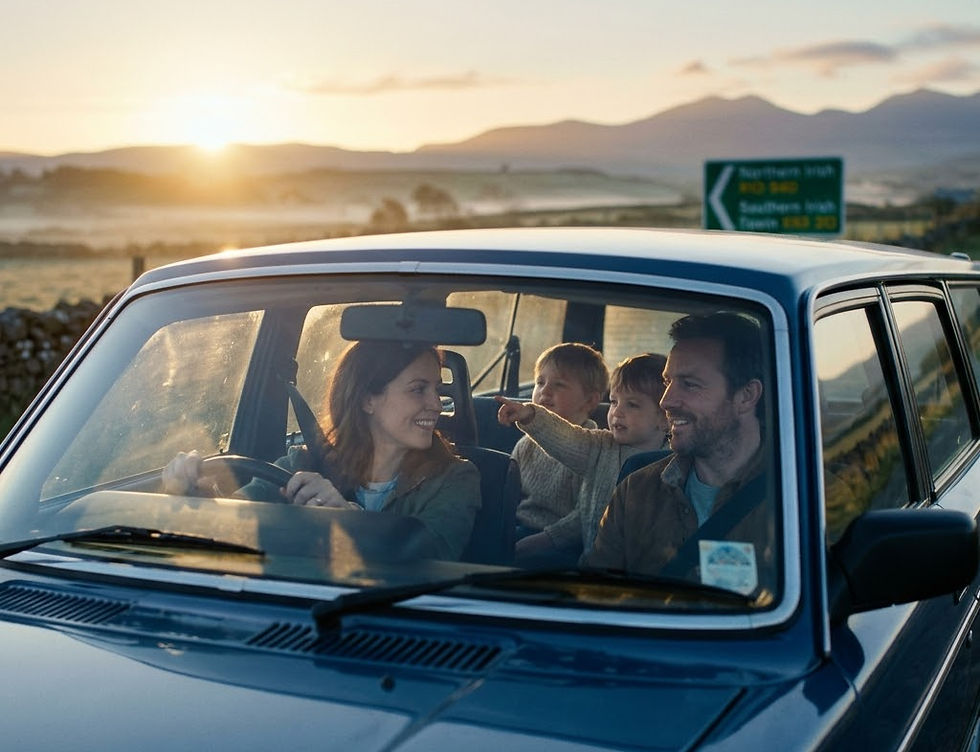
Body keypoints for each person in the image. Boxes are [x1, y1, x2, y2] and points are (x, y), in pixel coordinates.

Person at [162, 340, 482, 561]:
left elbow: (431, 558)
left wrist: (348, 518)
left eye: (436, 389)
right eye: (418, 390)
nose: (436, 404)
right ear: (367, 399)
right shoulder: (303, 461)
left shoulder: (456, 478)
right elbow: (234, 523)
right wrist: (198, 495)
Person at [583, 312, 774, 598]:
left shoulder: (805, 501)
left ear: (746, 396)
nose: (666, 401)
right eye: (667, 382)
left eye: (690, 384)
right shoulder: (635, 492)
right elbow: (594, 597)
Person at [497, 352, 670, 567]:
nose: (617, 412)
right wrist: (530, 416)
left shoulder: (675, 463)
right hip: (593, 565)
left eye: (632, 405)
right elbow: (565, 438)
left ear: (665, 418)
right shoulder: (600, 446)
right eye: (614, 402)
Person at [506, 343, 609, 564]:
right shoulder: (526, 445)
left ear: (590, 400)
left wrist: (539, 542)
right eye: (540, 382)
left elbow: (583, 518)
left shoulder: (594, 450)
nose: (545, 391)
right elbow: (508, 496)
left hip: (563, 543)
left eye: (559, 385)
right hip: (518, 529)